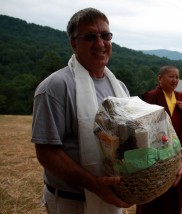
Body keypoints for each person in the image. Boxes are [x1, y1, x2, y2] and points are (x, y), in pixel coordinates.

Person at [31, 8, 132, 214]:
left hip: (112, 198)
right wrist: (94, 184)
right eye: (90, 37)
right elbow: (47, 153)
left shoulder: (119, 87)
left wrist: (162, 154)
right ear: (73, 43)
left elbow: (128, 137)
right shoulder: (54, 87)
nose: (100, 43)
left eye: (105, 36)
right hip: (72, 202)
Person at [136, 65, 182, 214]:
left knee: (174, 189)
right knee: (153, 189)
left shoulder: (180, 98)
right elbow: (142, 124)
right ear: (160, 78)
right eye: (171, 76)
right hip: (157, 153)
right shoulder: (150, 97)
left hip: (177, 153)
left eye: (177, 77)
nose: (175, 80)